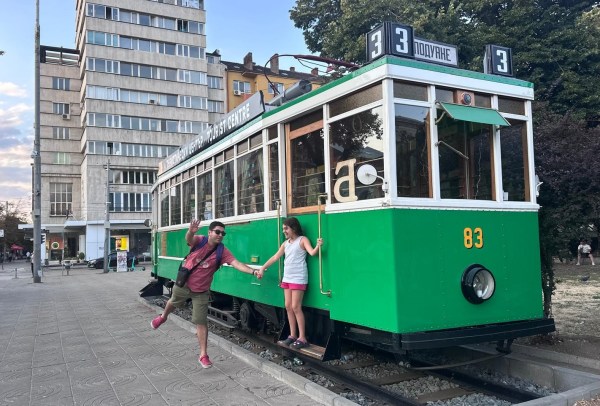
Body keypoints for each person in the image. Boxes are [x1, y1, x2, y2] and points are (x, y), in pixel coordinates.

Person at [150, 220, 263, 368]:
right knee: (173, 301)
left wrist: (253, 271)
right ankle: (163, 317)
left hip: (201, 291)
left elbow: (237, 264)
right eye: (217, 232)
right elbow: (189, 239)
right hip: (184, 283)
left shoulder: (222, 251)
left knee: (201, 321)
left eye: (223, 233)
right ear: (209, 232)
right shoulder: (200, 241)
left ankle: (203, 355)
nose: (220, 235)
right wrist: (191, 231)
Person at [259, 217, 322, 350]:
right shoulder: (285, 244)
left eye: (286, 228)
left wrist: (318, 245)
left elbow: (312, 253)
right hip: (287, 278)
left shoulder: (302, 240)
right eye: (283, 229)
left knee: (296, 307)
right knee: (288, 306)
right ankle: (292, 335)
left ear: (293, 228)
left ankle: (302, 338)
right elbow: (275, 257)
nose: (284, 231)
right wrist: (263, 268)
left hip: (298, 278)